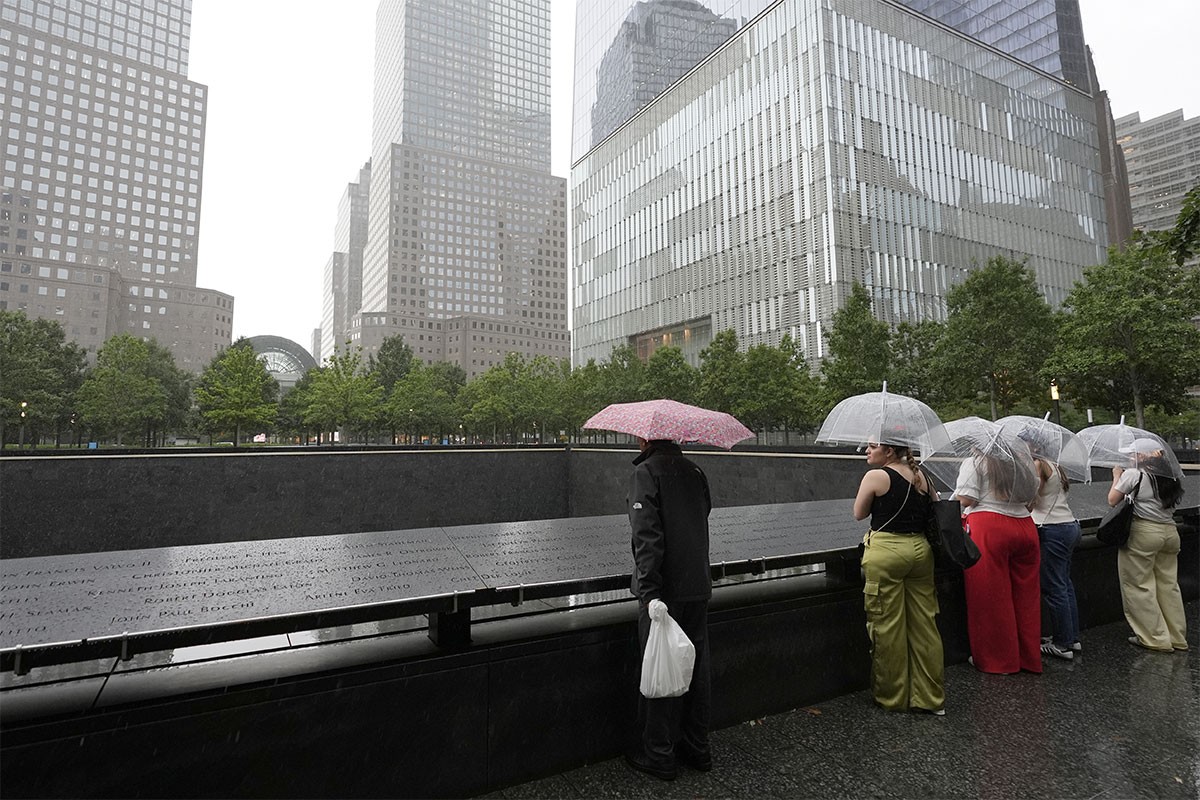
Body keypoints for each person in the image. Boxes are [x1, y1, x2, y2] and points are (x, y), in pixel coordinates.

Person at [625, 437, 713, 781]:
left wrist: (649, 593)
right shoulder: (695, 470)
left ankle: (658, 753)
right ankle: (697, 748)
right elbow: (702, 514)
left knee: (660, 665)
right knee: (697, 667)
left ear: (645, 438)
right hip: (697, 585)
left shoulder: (647, 472)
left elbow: (647, 536)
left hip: (664, 590)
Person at [852, 440, 944, 715]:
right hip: (920, 552)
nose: (866, 451)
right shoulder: (922, 476)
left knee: (887, 627)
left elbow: (859, 513)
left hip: (887, 554)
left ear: (889, 451)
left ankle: (892, 697)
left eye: (871, 446)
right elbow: (936, 507)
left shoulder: (877, 476)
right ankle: (930, 698)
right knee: (925, 625)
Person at [956, 449, 1041, 674]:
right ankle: (1029, 658)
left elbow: (967, 498)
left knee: (990, 597)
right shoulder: (1021, 466)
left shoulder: (975, 462)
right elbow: (1032, 502)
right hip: (1025, 527)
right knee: (1026, 597)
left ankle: (1000, 662)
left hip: (990, 528)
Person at [1108, 442, 1188, 653]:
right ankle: (1177, 637)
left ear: (1144, 456)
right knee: (1168, 586)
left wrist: (1117, 475)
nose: (1131, 457)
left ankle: (1155, 639)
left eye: (1134, 454)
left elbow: (1112, 500)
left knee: (1139, 586)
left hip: (1144, 533)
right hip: (1170, 533)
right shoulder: (1170, 477)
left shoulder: (1135, 474)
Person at [1030, 455, 1082, 661]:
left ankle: (1062, 644)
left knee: (1054, 588)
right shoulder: (1056, 465)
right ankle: (1072, 637)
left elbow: (1032, 499)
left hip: (1050, 528)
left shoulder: (1038, 465)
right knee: (1065, 585)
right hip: (1069, 525)